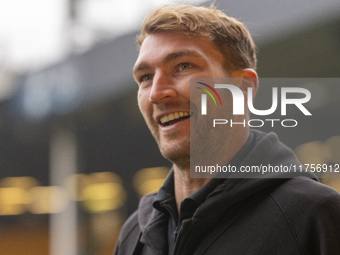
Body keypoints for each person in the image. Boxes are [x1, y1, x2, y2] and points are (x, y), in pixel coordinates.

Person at [114, 4, 340, 255]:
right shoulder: (134, 234)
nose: (156, 92)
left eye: (183, 66)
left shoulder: (314, 216)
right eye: (145, 77)